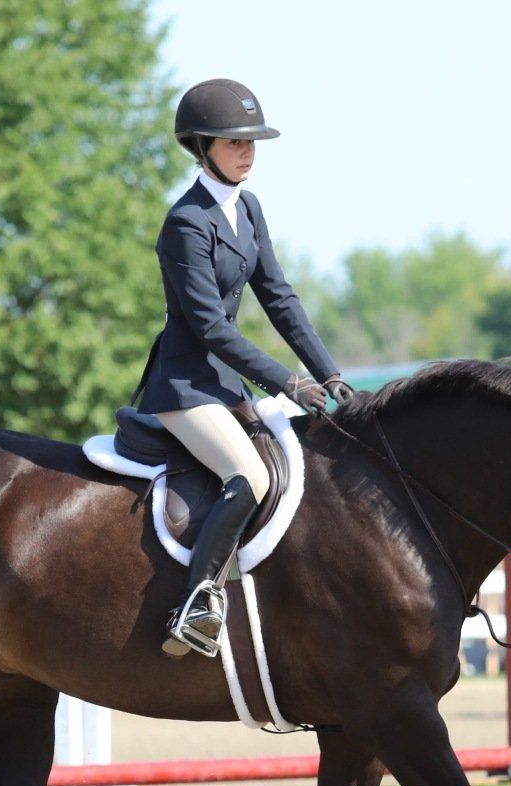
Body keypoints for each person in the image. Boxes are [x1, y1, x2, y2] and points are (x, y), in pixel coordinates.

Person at [134, 78, 355, 658]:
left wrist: (330, 376)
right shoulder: (187, 223)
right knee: (251, 477)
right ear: (203, 145)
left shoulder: (247, 208)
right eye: (235, 142)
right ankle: (197, 603)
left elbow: (279, 298)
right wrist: (288, 382)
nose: (248, 151)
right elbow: (210, 328)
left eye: (253, 142)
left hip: (225, 383)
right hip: (185, 388)